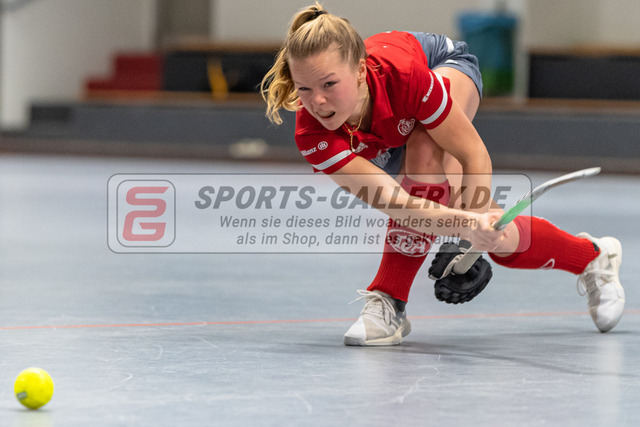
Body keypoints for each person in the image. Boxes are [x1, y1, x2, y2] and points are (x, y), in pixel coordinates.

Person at [260, 3, 625, 346]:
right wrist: (470, 226)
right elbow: (396, 204)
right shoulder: (312, 133)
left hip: (441, 67)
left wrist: (470, 235)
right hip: (393, 136)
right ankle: (592, 256)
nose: (317, 101)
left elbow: (473, 152)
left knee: (430, 156)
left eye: (329, 84)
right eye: (304, 88)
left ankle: (389, 300)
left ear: (358, 70)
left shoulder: (404, 77)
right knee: (489, 233)